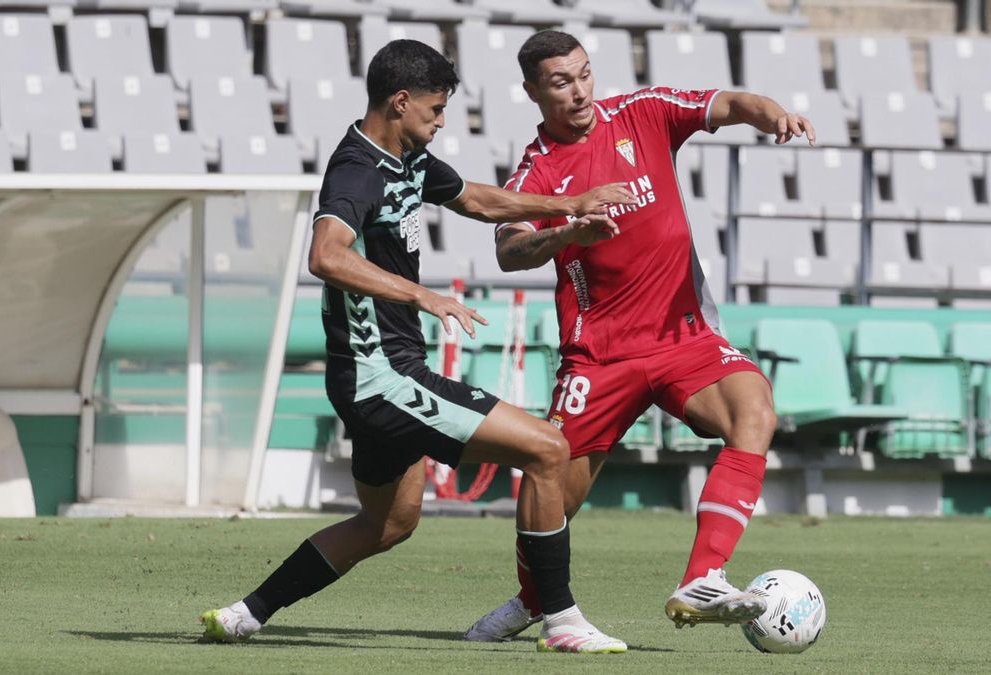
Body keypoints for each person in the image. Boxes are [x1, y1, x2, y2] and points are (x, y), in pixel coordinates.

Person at [199, 39, 635, 654]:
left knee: (389, 523)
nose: (441, 120)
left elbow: (479, 200)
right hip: (382, 376)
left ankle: (244, 614)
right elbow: (325, 254)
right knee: (547, 449)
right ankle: (562, 621)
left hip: (379, 377)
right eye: (434, 109)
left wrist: (566, 204)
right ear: (400, 102)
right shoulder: (357, 170)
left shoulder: (408, 157)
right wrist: (419, 294)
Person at [464, 30, 817, 642]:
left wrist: (773, 115)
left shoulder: (642, 114)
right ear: (532, 92)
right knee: (551, 492)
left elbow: (728, 104)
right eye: (560, 82)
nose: (578, 92)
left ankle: (703, 577)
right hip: (600, 356)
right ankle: (531, 601)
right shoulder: (538, 169)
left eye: (583, 74)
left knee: (754, 410)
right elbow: (509, 251)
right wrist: (571, 227)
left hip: (684, 337)